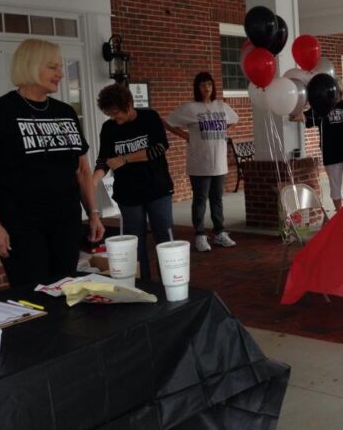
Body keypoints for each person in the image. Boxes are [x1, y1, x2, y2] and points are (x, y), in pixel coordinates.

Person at [0, 38, 104, 286]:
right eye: (52, 67)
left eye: (60, 67)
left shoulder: (66, 112)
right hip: (20, 223)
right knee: (33, 292)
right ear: (30, 66)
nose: (60, 73)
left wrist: (93, 213)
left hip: (66, 220)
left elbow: (82, 169)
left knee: (64, 288)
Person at [93, 83, 173, 281]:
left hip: (157, 189)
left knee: (165, 240)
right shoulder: (109, 128)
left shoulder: (149, 117)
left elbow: (159, 148)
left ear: (128, 104)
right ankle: (143, 285)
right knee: (135, 243)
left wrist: (125, 159)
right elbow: (104, 160)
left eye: (116, 113)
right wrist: (91, 183)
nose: (114, 119)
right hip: (128, 193)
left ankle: (169, 284)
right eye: (109, 114)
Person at [164, 72, 239, 252]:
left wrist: (222, 130)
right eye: (203, 85)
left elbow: (234, 119)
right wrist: (186, 136)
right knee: (200, 200)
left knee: (217, 200)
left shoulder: (221, 106)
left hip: (219, 163)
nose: (207, 88)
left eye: (209, 84)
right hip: (199, 163)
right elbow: (168, 122)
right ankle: (200, 235)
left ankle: (219, 233)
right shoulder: (190, 108)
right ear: (197, 87)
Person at [293, 79, 343, 210]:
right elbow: (302, 117)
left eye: (337, 91)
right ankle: (339, 214)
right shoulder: (322, 107)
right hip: (330, 153)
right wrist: (298, 106)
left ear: (341, 91)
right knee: (335, 187)